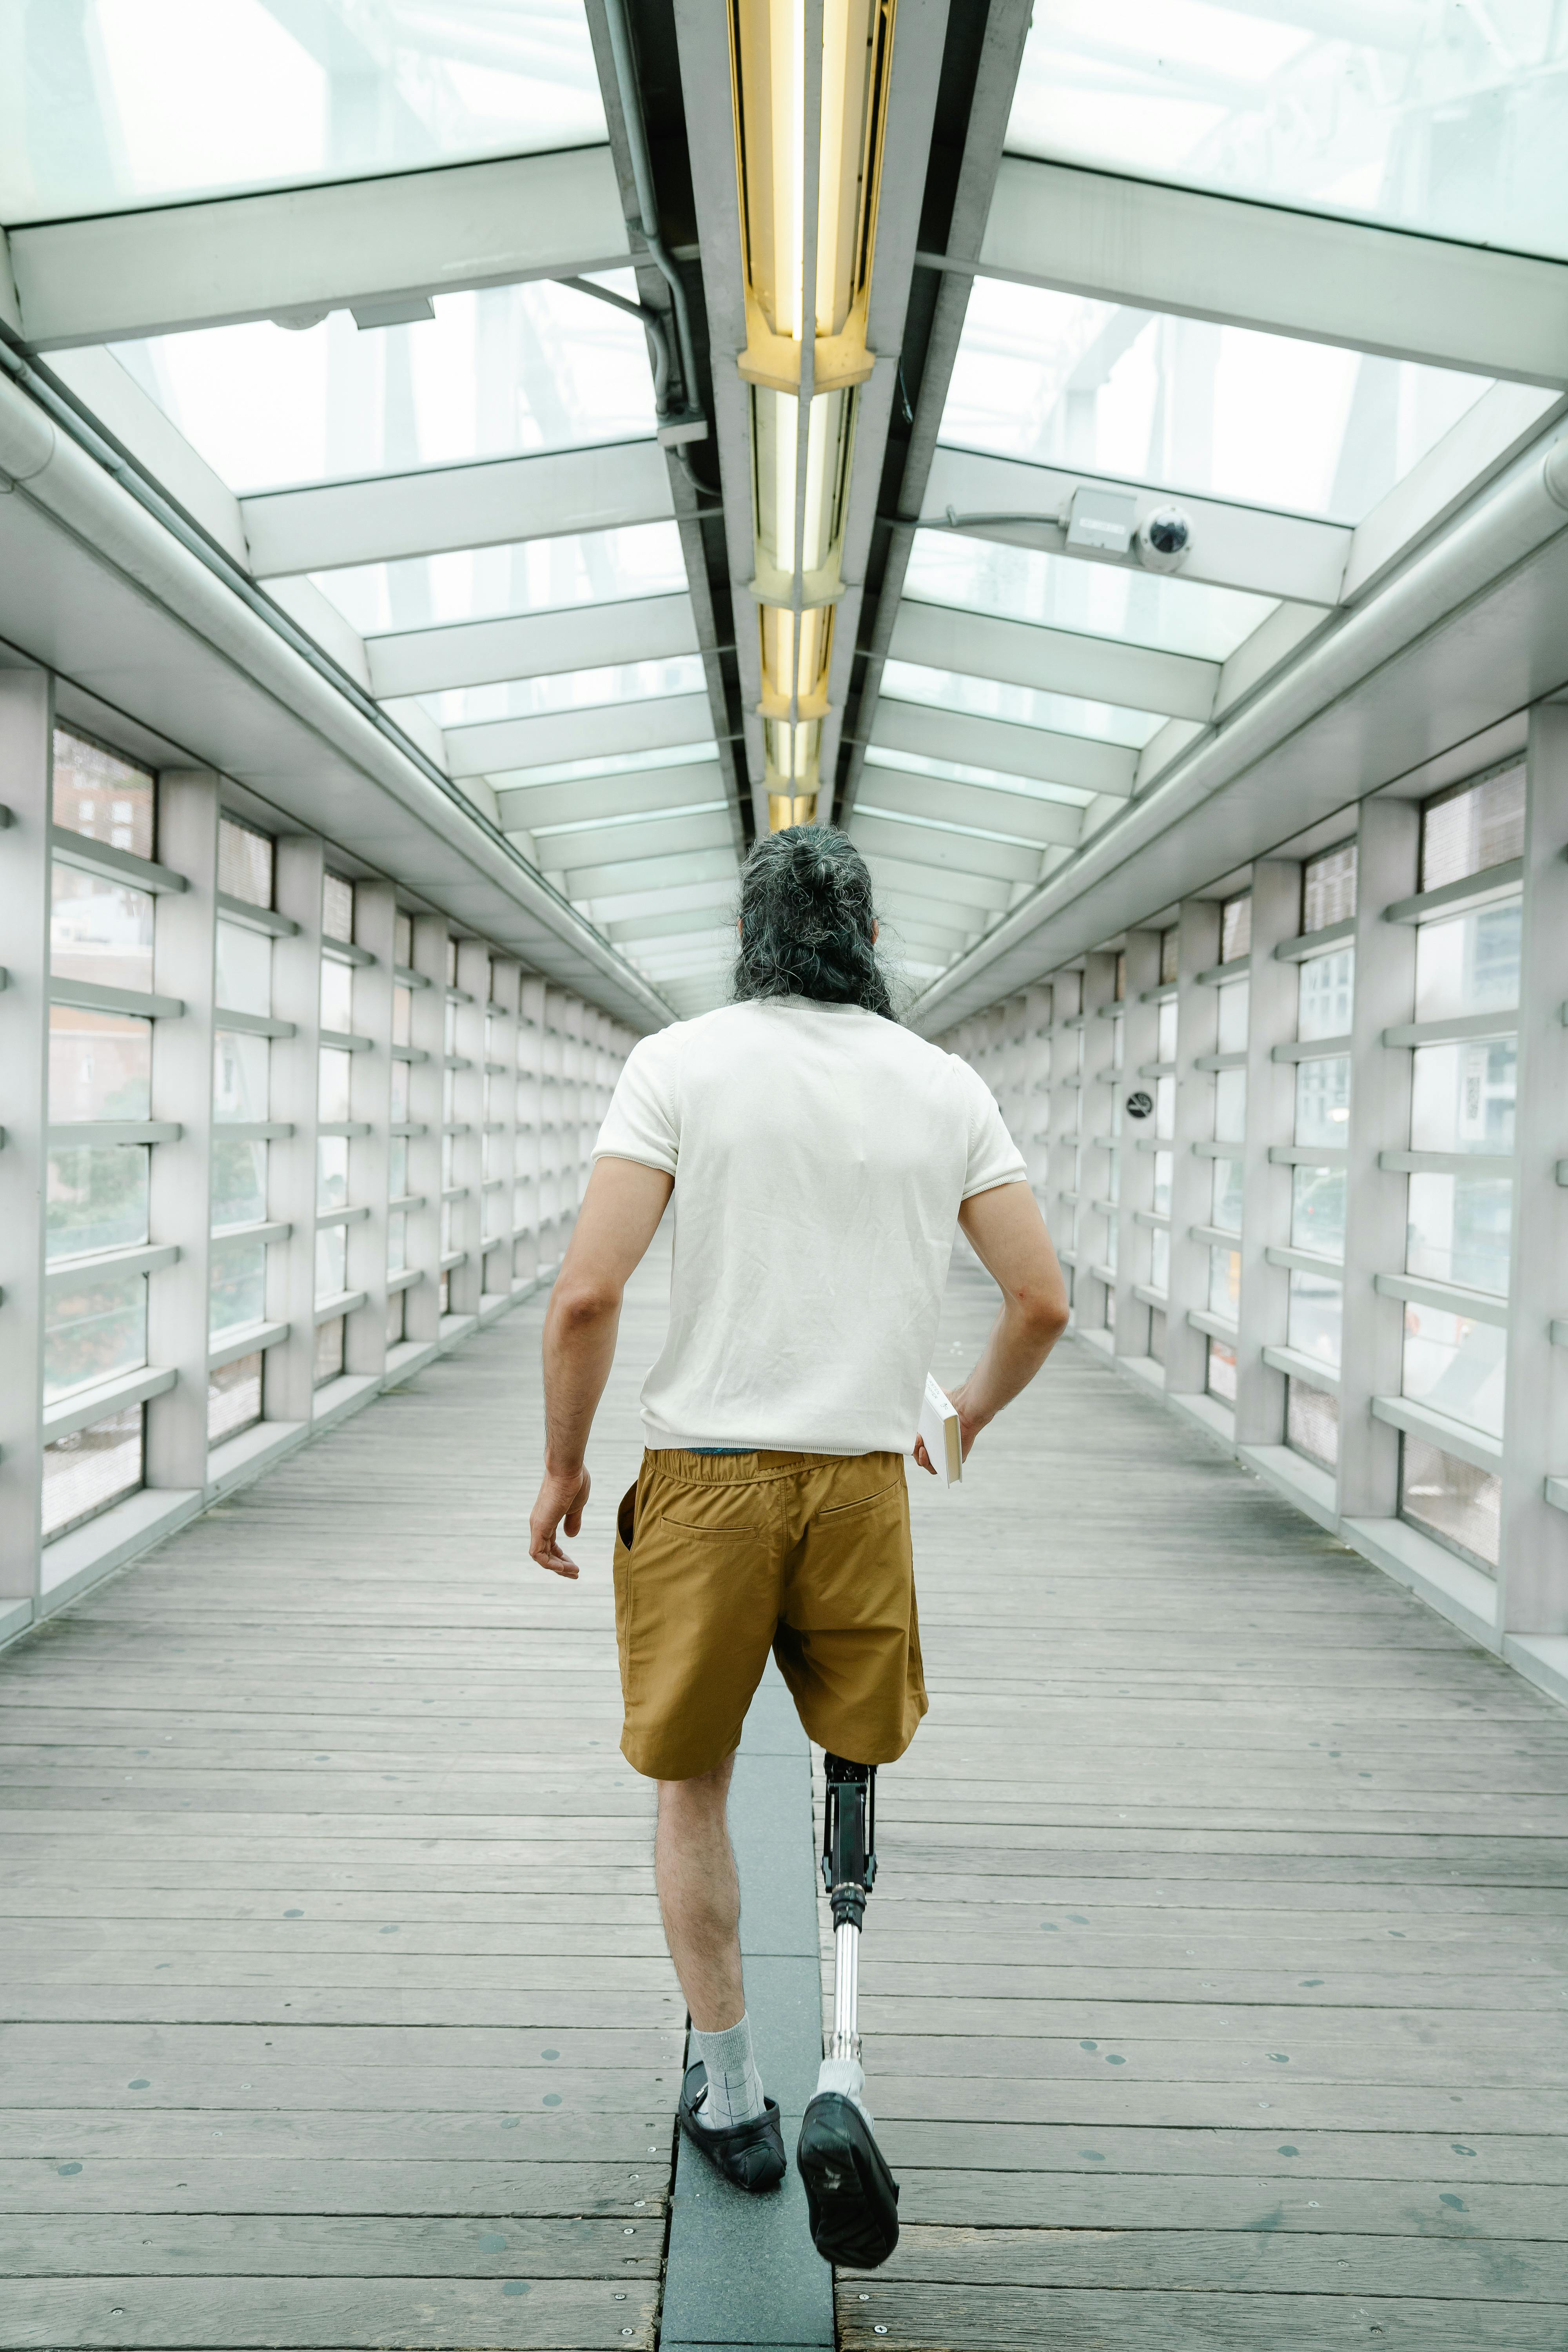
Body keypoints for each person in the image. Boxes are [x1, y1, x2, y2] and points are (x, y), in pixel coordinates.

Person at [528, 824, 1068, 2239]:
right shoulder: (943, 1085)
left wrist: (563, 1468)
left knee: (692, 1778)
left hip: (705, 1478)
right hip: (862, 1483)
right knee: (851, 1752)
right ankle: (846, 2057)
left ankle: (730, 2092)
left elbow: (586, 1296)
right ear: (869, 936)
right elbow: (1041, 1301)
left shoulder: (681, 1063)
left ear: (750, 935)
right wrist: (952, 1420)